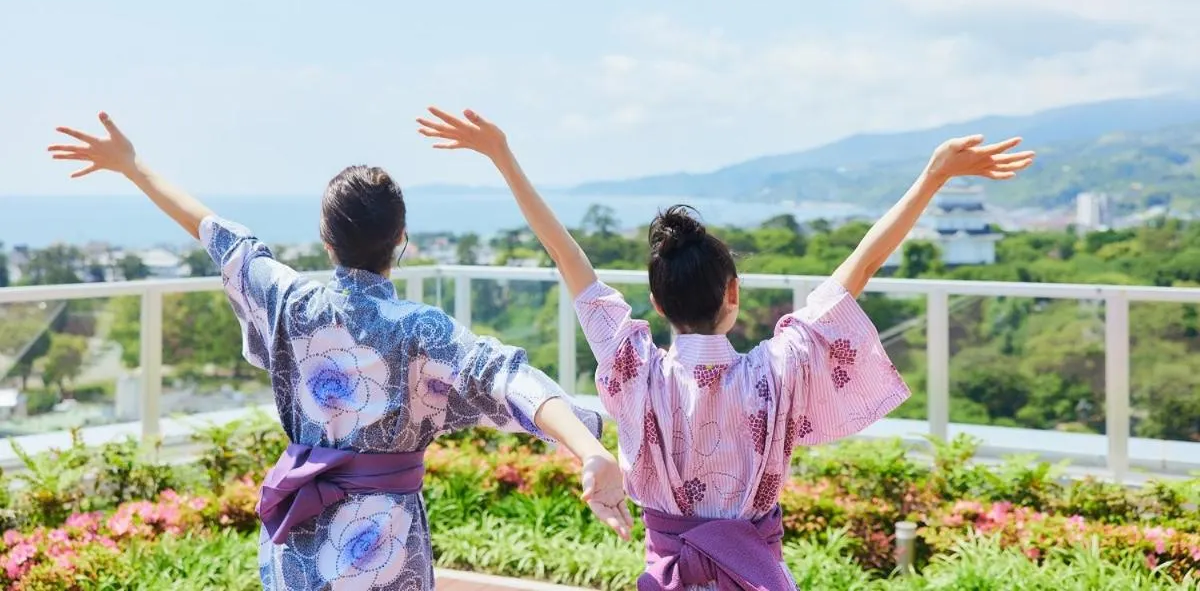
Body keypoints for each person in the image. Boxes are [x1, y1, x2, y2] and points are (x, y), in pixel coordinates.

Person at [416, 107, 1035, 591]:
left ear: (656, 304)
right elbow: (861, 266)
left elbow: (567, 257)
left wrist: (502, 156)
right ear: (733, 295)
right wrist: (933, 175)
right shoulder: (779, 369)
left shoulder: (633, 367)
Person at [48, 112, 632, 591]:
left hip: (300, 537)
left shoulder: (292, 301)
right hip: (389, 548)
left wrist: (131, 165)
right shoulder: (424, 331)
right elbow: (511, 379)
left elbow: (219, 235)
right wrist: (586, 446)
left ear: (326, 239)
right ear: (401, 240)